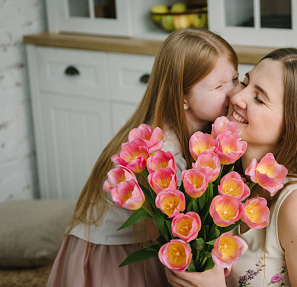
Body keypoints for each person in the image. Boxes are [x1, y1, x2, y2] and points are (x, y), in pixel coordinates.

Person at [47, 27, 239, 286]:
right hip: (116, 255)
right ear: (182, 98)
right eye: (219, 86)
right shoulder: (163, 155)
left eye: (235, 80)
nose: (233, 93)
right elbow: (162, 234)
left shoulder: (196, 131)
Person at [165, 48, 297, 287]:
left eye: (259, 98)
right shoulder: (220, 179)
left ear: (292, 128)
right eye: (244, 82)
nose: (236, 97)